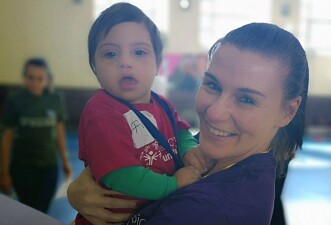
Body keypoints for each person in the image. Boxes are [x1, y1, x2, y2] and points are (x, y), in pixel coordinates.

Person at [68, 22, 309, 225]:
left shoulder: (206, 210)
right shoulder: (213, 148)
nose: (215, 113)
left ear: (287, 111)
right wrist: (79, 192)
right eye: (212, 85)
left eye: (246, 99)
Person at [75, 3, 206, 225]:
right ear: (94, 66)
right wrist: (173, 184)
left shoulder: (162, 103)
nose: (125, 62)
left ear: (157, 64)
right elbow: (122, 175)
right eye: (111, 53)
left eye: (139, 52)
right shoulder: (101, 111)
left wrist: (188, 151)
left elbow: (181, 131)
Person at [0, 57, 72, 213]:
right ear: (24, 77)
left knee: (42, 210)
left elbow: (59, 130)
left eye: (40, 79)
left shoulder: (55, 99)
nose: (35, 83)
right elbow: (7, 137)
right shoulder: (15, 101)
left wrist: (65, 161)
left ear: (47, 80)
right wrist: (3, 172)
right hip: (22, 167)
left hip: (49, 167)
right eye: (30, 78)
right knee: (28, 209)